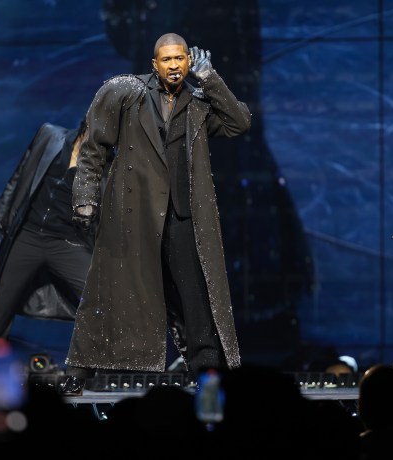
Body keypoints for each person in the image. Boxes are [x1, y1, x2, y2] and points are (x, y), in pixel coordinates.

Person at [61, 33, 251, 396]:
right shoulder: (126, 94)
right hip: (133, 213)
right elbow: (94, 148)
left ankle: (207, 372)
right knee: (108, 293)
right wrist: (85, 196)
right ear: (155, 64)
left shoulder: (198, 104)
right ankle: (78, 371)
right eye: (168, 60)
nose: (175, 65)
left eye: (181, 59)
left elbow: (239, 122)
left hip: (182, 215)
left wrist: (211, 79)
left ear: (189, 62)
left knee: (195, 295)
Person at [0, 118, 109, 342]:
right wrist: (0, 214)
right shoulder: (50, 136)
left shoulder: (106, 165)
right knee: (0, 307)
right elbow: (20, 175)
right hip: (28, 235)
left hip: (67, 242)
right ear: (86, 125)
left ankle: (88, 369)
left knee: (99, 297)